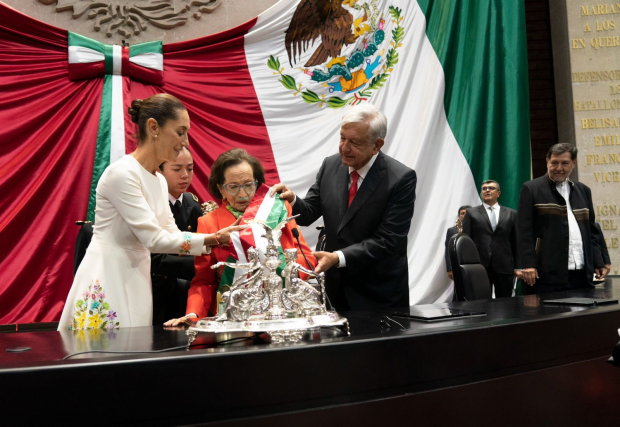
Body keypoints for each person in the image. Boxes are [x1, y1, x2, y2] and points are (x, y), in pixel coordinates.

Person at [58, 94, 244, 330]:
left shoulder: (158, 180)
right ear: (153, 127)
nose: (185, 141)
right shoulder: (122, 174)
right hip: (108, 274)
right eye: (180, 131)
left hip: (137, 275)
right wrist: (213, 238)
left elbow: (170, 234)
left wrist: (213, 239)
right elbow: (154, 239)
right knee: (102, 354)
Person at [271, 104, 417, 310]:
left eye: (354, 142)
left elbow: (389, 240)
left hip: (378, 293)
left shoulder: (400, 178)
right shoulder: (330, 166)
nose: (344, 148)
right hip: (335, 289)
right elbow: (308, 213)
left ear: (377, 145)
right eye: (342, 138)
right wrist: (293, 199)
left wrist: (337, 257)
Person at [165, 149, 317, 325]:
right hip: (233, 316)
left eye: (248, 185)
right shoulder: (208, 223)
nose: (243, 194)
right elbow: (203, 282)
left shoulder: (278, 211)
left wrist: (281, 272)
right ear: (221, 189)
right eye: (233, 187)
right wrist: (192, 315)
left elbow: (308, 258)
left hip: (282, 310)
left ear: (257, 184)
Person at [518, 143, 606, 293]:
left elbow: (591, 230)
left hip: (582, 272)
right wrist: (528, 264)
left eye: (565, 163)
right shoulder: (531, 189)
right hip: (546, 274)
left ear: (574, 163)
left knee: (584, 316)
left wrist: (599, 261)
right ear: (547, 162)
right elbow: (524, 231)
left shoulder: (584, 190)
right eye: (554, 163)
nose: (559, 168)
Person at [151, 147, 203, 325]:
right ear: (159, 170)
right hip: (154, 289)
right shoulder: (151, 203)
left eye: (190, 168)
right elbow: (156, 257)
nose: (185, 175)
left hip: (184, 292)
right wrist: (200, 266)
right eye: (177, 169)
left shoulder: (191, 203)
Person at [462, 181, 521, 298]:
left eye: (491, 188)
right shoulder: (471, 213)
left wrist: (518, 267)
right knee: (481, 301)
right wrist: (466, 266)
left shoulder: (511, 213)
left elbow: (516, 242)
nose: (487, 190)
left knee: (505, 303)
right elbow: (466, 241)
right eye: (484, 189)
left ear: (498, 193)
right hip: (479, 266)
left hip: (504, 266)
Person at [445, 205, 470, 281]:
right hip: (457, 264)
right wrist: (450, 269)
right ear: (459, 216)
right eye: (462, 213)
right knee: (459, 289)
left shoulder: (476, 229)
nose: (464, 215)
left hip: (473, 264)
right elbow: (448, 251)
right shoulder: (451, 231)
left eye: (467, 213)